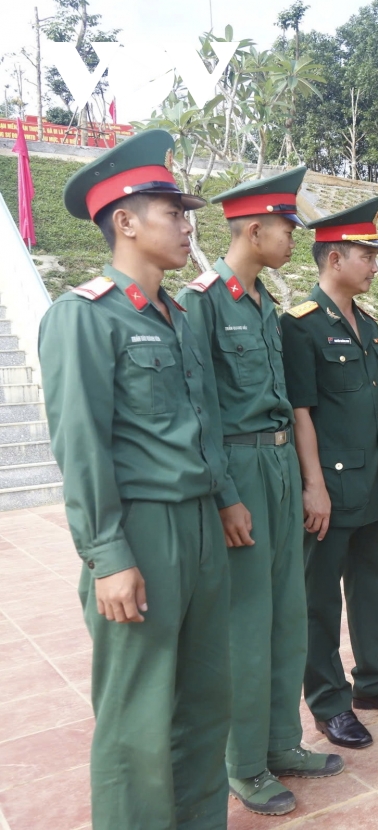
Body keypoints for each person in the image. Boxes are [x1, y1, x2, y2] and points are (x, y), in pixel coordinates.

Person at [40, 128, 231, 829]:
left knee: (206, 698)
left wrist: (223, 500)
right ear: (124, 221)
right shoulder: (85, 317)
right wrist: (109, 556)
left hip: (200, 525)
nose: (187, 226)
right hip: (141, 531)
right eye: (173, 213)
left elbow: (203, 422)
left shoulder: (176, 317)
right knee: (137, 716)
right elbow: (82, 447)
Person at [177, 168, 343, 816]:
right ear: (254, 229)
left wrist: (306, 481)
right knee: (246, 626)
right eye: (286, 228)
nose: (293, 239)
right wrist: (224, 497)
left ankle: (282, 744)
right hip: (240, 472)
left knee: (285, 616)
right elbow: (202, 412)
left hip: (276, 470)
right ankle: (243, 766)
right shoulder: (205, 300)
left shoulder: (264, 304)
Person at [280, 196, 378, 751]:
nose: (373, 263)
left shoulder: (367, 326)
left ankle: (374, 683)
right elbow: (301, 413)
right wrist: (313, 486)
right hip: (329, 487)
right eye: (366, 254)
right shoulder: (301, 326)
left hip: (369, 480)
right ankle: (329, 703)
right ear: (334, 258)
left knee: (371, 586)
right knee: (320, 600)